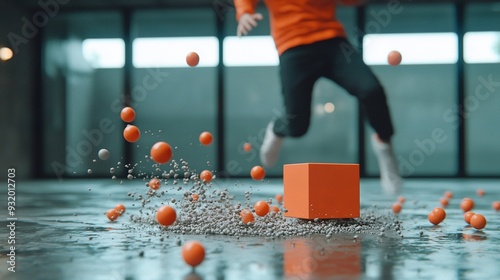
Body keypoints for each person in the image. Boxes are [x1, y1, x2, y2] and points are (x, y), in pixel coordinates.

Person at [234, 0, 402, 194]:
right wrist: (245, 12)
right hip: (293, 47)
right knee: (297, 126)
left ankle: (384, 146)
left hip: (332, 42)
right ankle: (278, 129)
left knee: (372, 90)